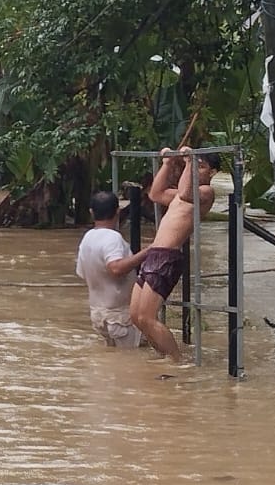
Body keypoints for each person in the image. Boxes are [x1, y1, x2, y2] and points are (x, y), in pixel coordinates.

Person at [130, 148, 219, 366]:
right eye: (196, 165)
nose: (197, 169)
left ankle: (178, 361)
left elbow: (187, 193)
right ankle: (163, 354)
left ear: (213, 172)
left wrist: (189, 162)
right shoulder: (180, 194)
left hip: (168, 256)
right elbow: (155, 194)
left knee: (147, 317)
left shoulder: (205, 192)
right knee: (136, 316)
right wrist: (168, 163)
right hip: (154, 254)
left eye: (202, 166)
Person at [75, 190, 148, 348]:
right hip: (119, 315)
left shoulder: (88, 238)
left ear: (91, 212)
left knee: (112, 360)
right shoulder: (112, 238)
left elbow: (81, 273)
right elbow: (115, 268)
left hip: (98, 314)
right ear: (117, 211)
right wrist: (147, 252)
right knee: (129, 363)